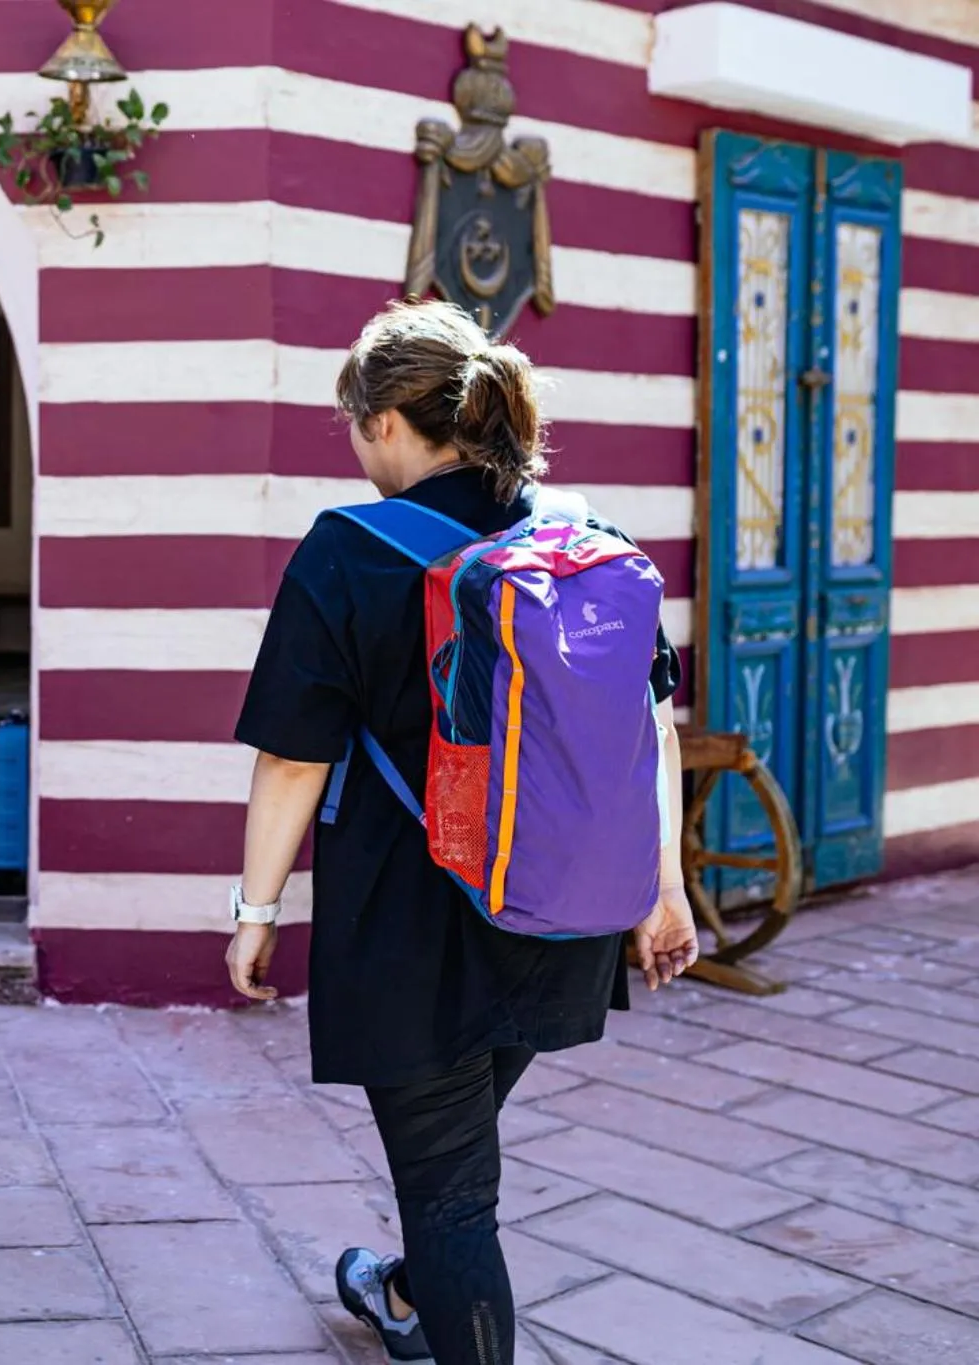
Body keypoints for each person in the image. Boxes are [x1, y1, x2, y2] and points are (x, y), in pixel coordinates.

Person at [224, 300, 698, 1365]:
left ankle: (428, 1290)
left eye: (354, 425)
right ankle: (401, 1292)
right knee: (454, 1165)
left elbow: (292, 758)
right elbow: (649, 730)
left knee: (450, 1200)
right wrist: (660, 889)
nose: (354, 448)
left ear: (390, 420)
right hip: (563, 913)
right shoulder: (585, 538)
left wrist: (252, 914)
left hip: (410, 928)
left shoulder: (345, 550)